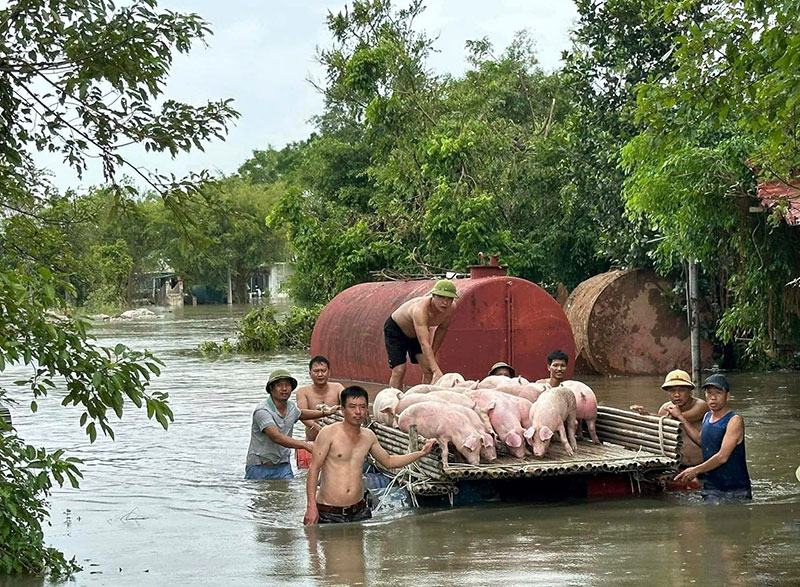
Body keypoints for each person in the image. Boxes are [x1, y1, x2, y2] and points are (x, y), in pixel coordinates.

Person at [304, 386, 435, 524]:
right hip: (329, 511)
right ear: (343, 410)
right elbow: (314, 469)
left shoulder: (368, 436)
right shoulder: (328, 433)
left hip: (359, 511)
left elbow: (389, 461)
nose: (358, 412)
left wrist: (421, 453)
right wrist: (311, 506)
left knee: (358, 546)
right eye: (352, 407)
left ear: (367, 409)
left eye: (362, 407)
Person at [245, 369, 340, 480]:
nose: (284, 389)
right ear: (271, 388)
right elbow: (276, 437)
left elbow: (301, 413)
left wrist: (325, 413)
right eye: (279, 385)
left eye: (287, 385)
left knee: (288, 495)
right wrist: (304, 445)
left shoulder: (291, 407)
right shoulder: (262, 411)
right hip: (259, 466)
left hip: (283, 465)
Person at [670, 374, 752, 502]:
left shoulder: (734, 420)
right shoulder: (707, 416)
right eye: (709, 393)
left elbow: (723, 456)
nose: (713, 398)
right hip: (711, 487)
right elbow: (701, 441)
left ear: (728, 396)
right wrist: (680, 417)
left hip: (736, 489)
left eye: (718, 393)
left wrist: (695, 470)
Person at [383, 279, 458, 389]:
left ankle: (423, 398)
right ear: (433, 296)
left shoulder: (451, 308)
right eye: (441, 297)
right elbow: (424, 343)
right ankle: (393, 400)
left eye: (449, 299)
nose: (445, 303)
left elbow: (442, 329)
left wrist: (433, 353)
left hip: (416, 334)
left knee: (428, 369)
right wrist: (436, 370)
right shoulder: (420, 309)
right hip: (396, 330)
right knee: (399, 370)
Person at [630, 369, 709, 467]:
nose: (677, 395)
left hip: (702, 465)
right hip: (678, 465)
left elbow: (679, 419)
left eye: (681, 390)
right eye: (672, 390)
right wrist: (646, 415)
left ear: (690, 390)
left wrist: (651, 416)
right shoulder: (665, 409)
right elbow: (661, 425)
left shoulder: (701, 405)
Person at [296, 356, 345, 441]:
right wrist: (318, 428)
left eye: (323, 371)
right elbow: (302, 414)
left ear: (329, 372)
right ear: (310, 374)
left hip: (337, 439)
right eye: (316, 371)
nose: (320, 374)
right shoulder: (302, 392)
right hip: (313, 440)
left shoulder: (338, 387)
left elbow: (348, 402)